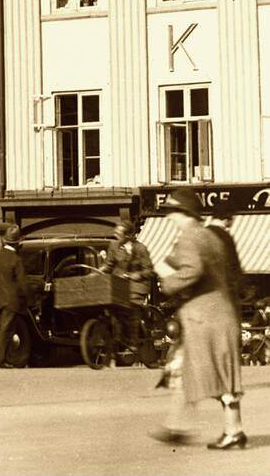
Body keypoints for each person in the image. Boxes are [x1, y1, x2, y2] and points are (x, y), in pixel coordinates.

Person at [152, 187, 245, 450]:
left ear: (183, 213)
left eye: (171, 212)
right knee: (220, 372)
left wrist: (167, 283)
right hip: (220, 314)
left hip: (205, 318)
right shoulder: (211, 236)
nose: (169, 218)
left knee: (209, 371)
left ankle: (229, 430)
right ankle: (232, 429)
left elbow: (192, 270)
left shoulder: (190, 237)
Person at [102, 219, 155, 359]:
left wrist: (137, 275)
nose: (116, 236)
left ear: (128, 235)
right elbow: (108, 265)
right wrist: (97, 272)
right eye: (116, 233)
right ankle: (116, 338)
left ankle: (133, 341)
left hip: (137, 285)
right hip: (119, 284)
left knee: (132, 307)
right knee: (109, 306)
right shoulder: (113, 246)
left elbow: (149, 270)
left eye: (119, 234)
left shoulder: (140, 248)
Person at [0, 224, 31, 368]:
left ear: (5, 241)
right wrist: (31, 300)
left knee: (1, 330)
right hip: (12, 301)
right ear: (17, 244)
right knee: (5, 331)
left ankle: (2, 358)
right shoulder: (16, 260)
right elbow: (23, 283)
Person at [206, 205, 245, 310]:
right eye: (233, 218)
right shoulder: (225, 236)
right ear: (226, 218)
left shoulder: (203, 233)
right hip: (224, 293)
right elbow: (233, 266)